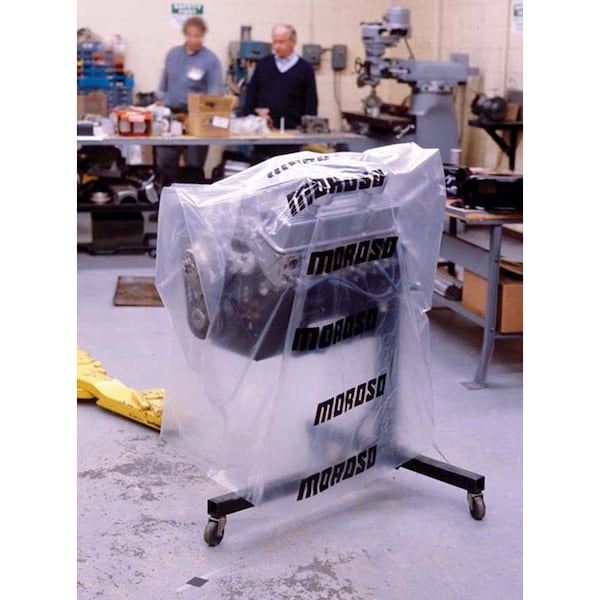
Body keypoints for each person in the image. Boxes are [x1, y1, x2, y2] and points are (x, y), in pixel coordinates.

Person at [155, 17, 223, 185]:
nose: (194, 40)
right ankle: (167, 196)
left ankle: (191, 198)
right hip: (171, 117)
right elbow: (163, 84)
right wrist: (161, 98)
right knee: (165, 161)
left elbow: (215, 93)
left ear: (203, 36)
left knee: (194, 165)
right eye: (191, 35)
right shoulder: (173, 55)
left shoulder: (210, 60)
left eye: (198, 36)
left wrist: (205, 113)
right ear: (185, 34)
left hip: (196, 119)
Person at [242, 24, 318, 161]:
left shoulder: (305, 69)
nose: (277, 46)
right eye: (274, 42)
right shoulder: (263, 65)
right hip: (263, 136)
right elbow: (251, 96)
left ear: (293, 42)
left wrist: (308, 132)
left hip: (292, 136)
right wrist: (248, 122)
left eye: (281, 42)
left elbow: (311, 102)